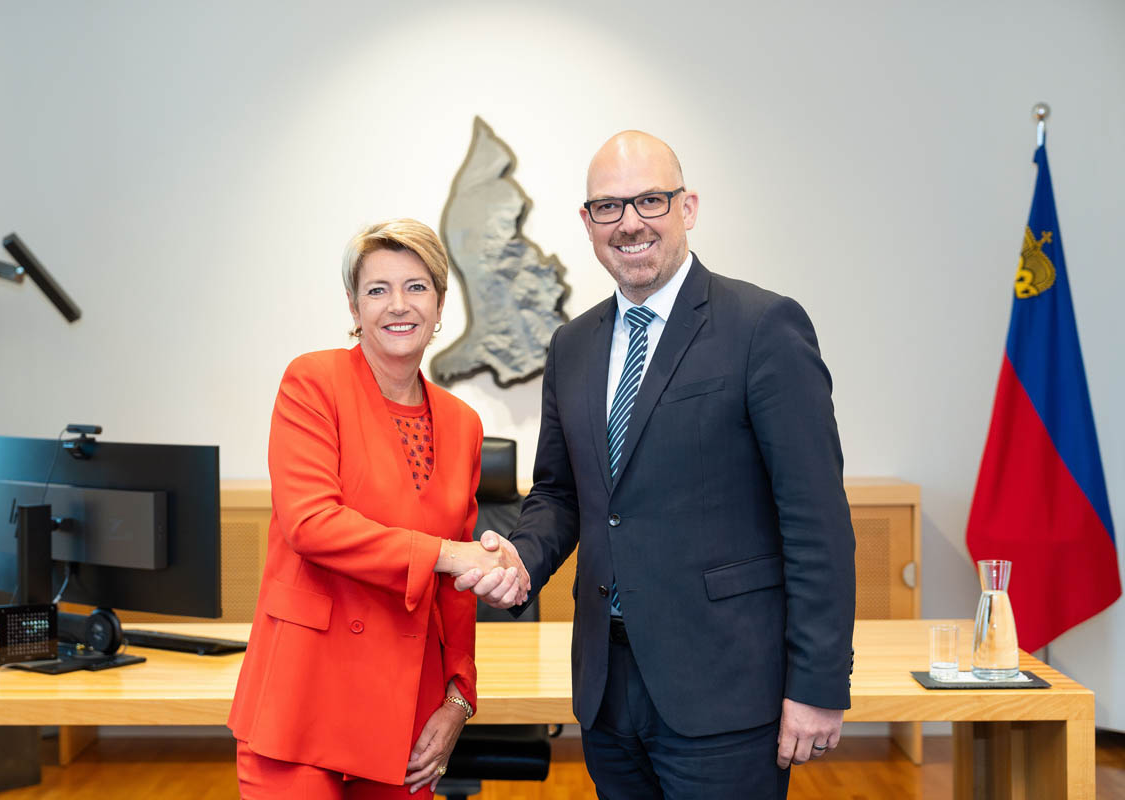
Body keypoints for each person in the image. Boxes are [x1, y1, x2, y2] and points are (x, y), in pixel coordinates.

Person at [463, 131, 856, 798]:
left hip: (726, 688)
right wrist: (523, 559)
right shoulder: (572, 346)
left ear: (688, 207)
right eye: (609, 207)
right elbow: (561, 493)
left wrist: (818, 685)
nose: (631, 223)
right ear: (587, 223)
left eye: (650, 200)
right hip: (607, 691)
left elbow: (816, 519)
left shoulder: (762, 328)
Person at [229, 218, 528, 798]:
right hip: (303, 700)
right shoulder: (312, 382)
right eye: (377, 289)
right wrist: (446, 553)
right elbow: (312, 524)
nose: (399, 305)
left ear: (441, 304)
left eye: (417, 287)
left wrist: (457, 698)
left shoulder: (463, 424)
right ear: (354, 304)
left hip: (405, 712)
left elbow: (457, 588)